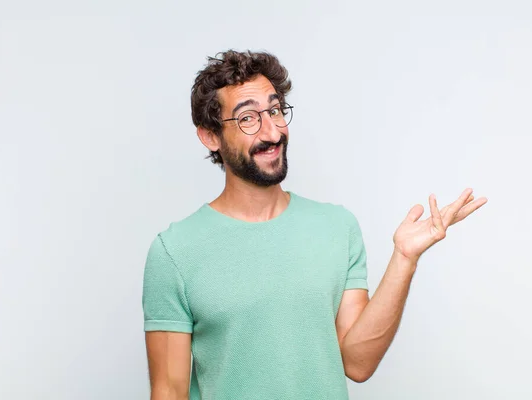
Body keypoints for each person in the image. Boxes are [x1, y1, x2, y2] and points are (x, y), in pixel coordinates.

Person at [141, 50, 487, 400]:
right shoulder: (175, 252)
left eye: (275, 110)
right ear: (211, 136)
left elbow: (358, 363)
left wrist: (404, 258)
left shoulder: (337, 228)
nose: (272, 131)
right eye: (248, 118)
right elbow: (169, 390)